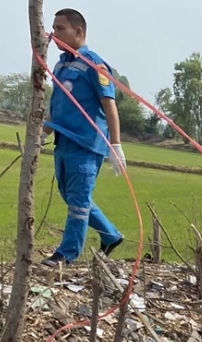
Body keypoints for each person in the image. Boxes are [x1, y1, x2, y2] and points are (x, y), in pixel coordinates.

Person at [43, 9, 125, 267]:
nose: (54, 34)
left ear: (78, 31)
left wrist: (115, 144)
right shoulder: (61, 65)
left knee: (78, 201)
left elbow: (109, 105)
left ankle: (67, 254)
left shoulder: (94, 65)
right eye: (53, 28)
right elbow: (58, 105)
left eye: (60, 28)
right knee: (69, 194)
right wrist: (42, 132)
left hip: (86, 143)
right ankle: (110, 235)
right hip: (64, 140)